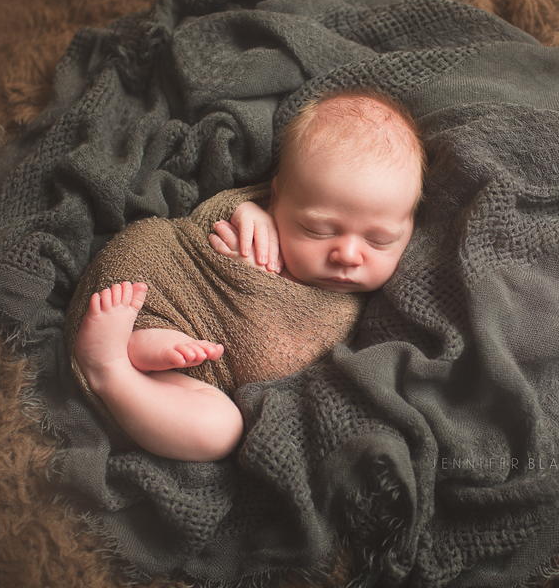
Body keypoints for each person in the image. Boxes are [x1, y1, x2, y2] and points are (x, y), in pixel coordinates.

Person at [72, 88, 426, 462]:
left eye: (379, 239)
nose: (348, 254)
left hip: (170, 358)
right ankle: (112, 363)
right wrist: (245, 210)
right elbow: (205, 221)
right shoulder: (258, 214)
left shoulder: (370, 314)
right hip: (151, 276)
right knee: (218, 426)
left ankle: (120, 365)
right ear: (277, 198)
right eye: (319, 230)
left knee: (217, 428)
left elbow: (290, 372)